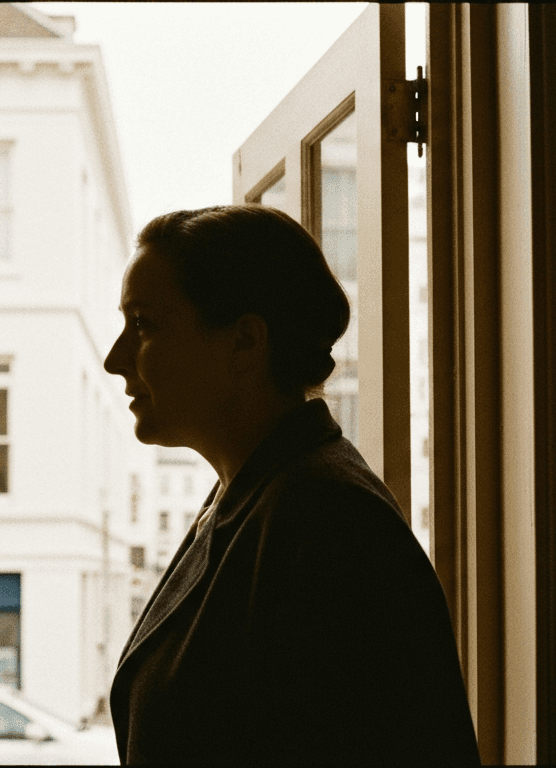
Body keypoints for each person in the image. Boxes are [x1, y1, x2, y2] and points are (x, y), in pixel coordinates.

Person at [103, 205, 480, 764]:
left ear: (245, 343)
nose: (116, 360)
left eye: (144, 325)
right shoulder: (249, 498)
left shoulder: (331, 521)